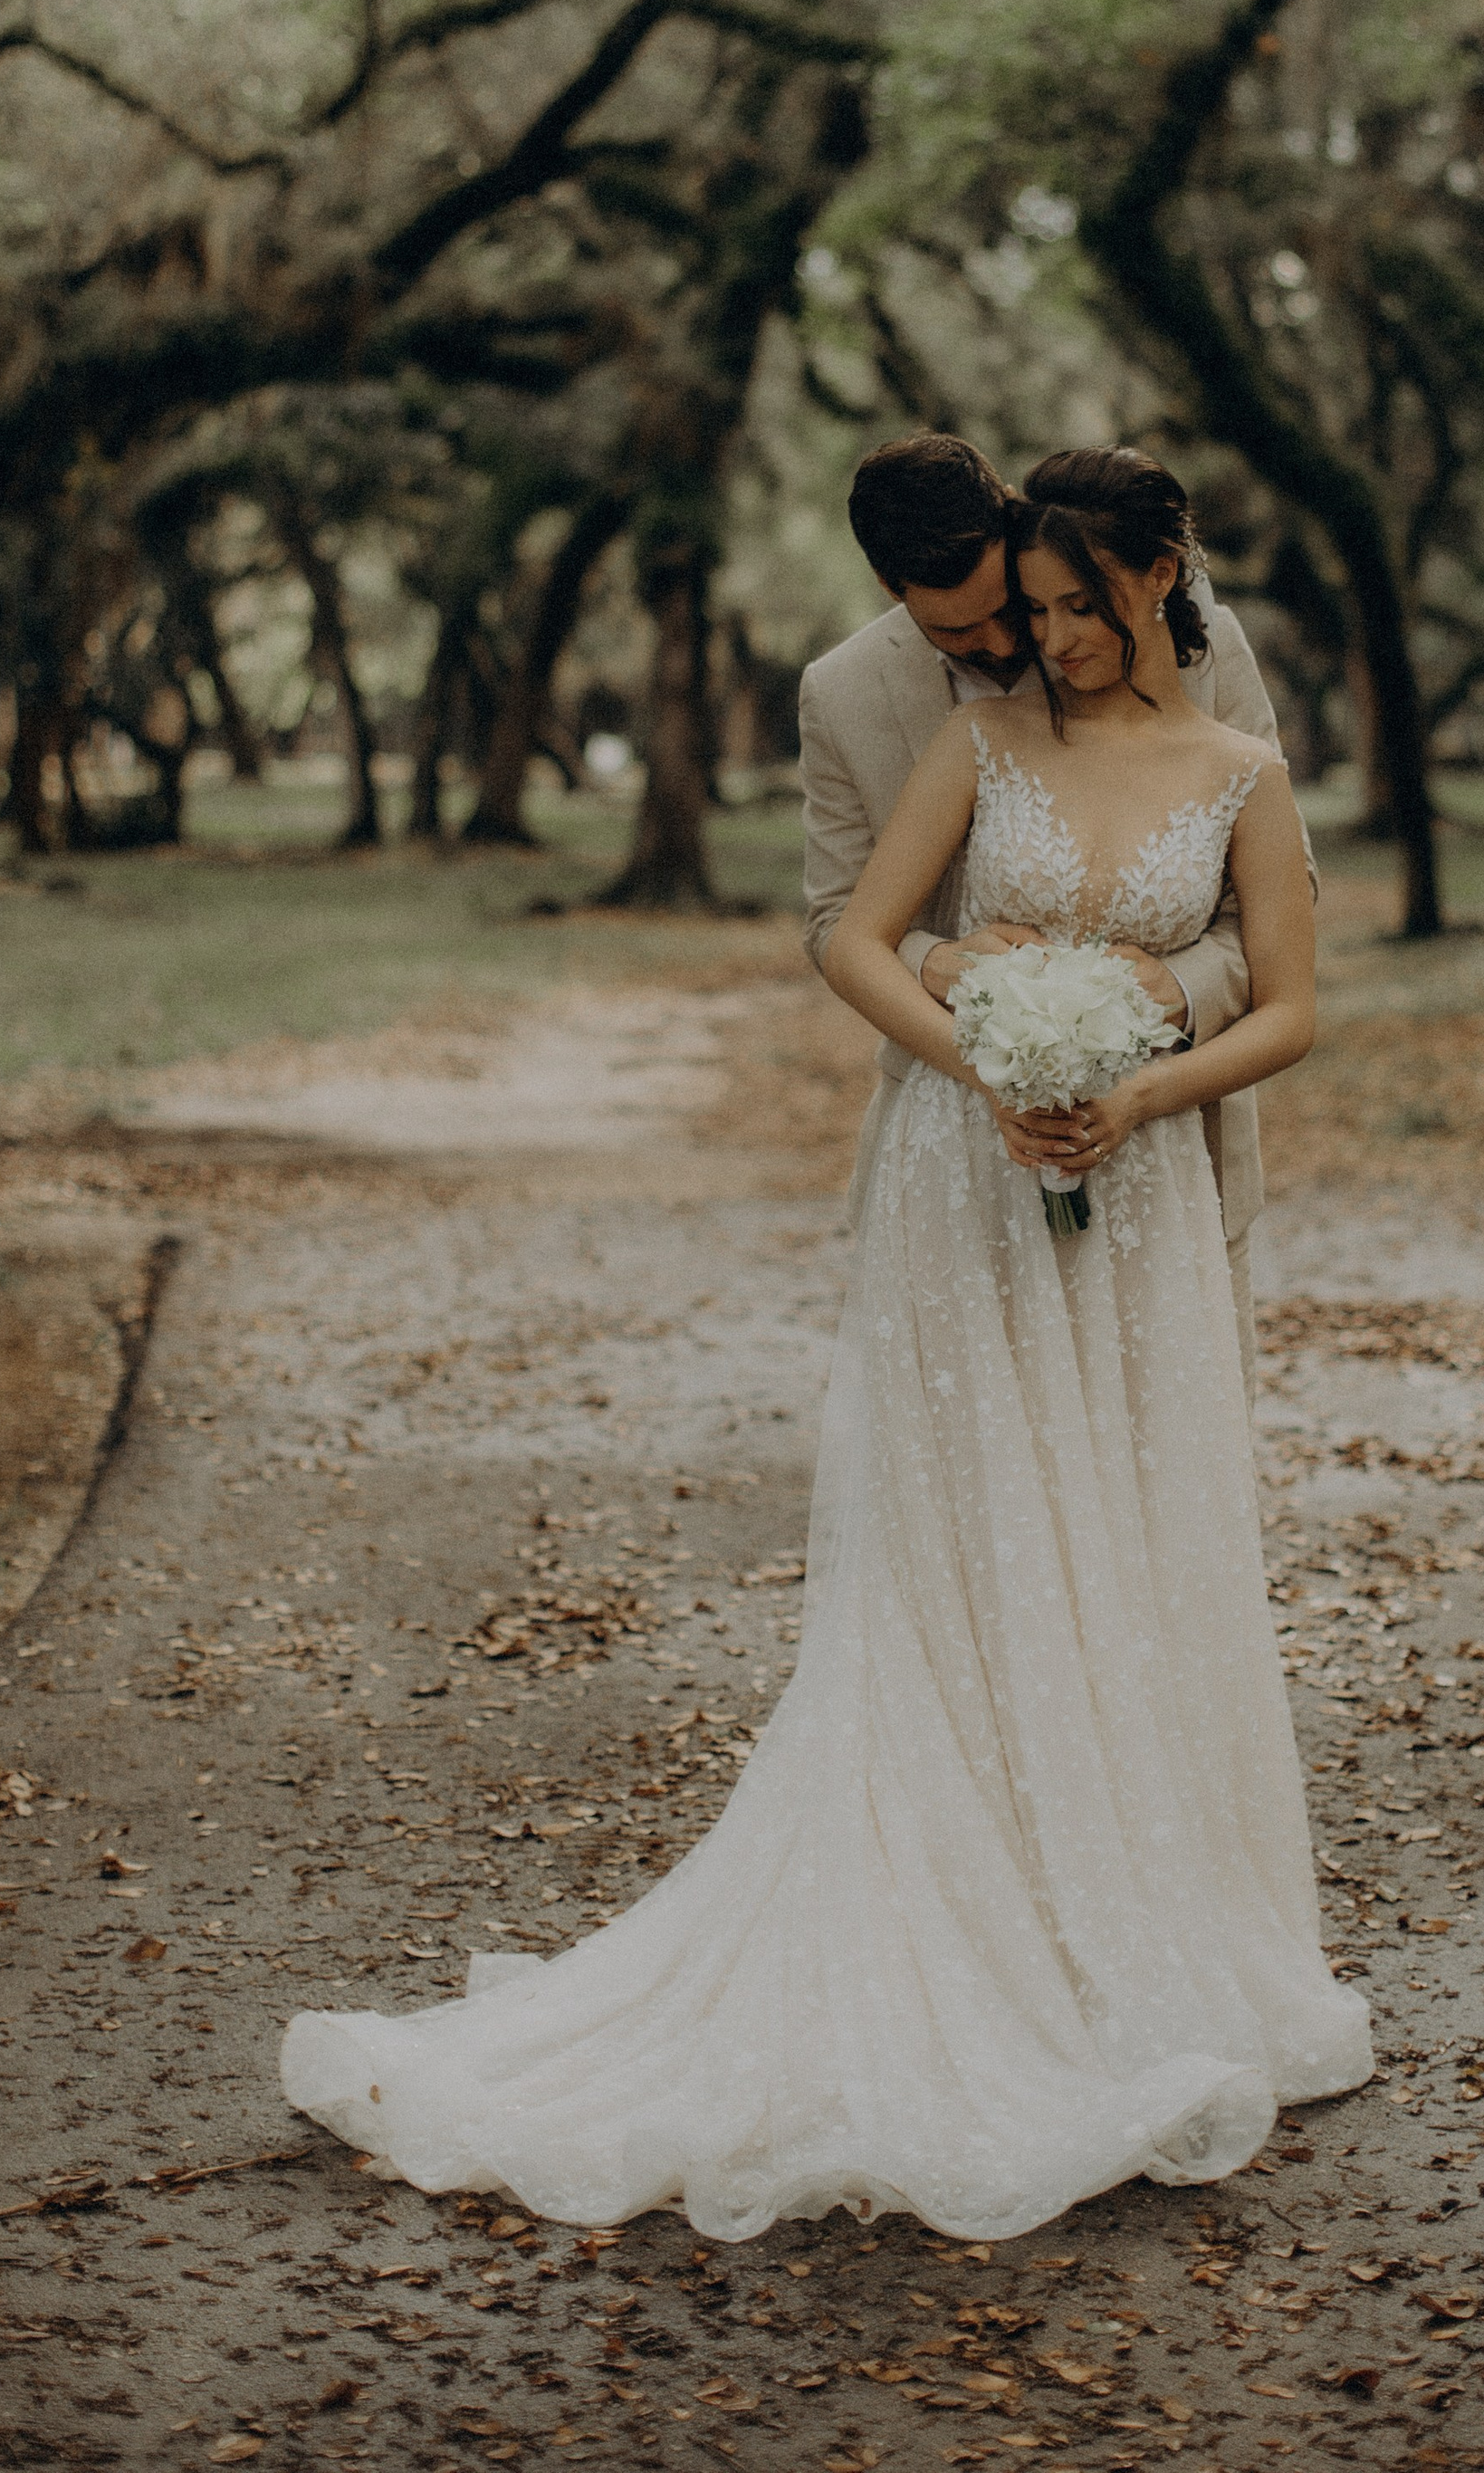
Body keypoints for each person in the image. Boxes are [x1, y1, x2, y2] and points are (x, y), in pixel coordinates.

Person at [278, 446, 1370, 2239]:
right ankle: (965, 1902)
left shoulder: (1233, 743)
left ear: (1150, 578)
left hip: (1147, 1188)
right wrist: (993, 1052)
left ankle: (1133, 1909)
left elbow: (1288, 978)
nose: (1026, 646)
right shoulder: (951, 730)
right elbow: (849, 933)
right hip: (968, 1176)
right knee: (958, 1550)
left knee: (1129, 1538)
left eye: (1058, 612)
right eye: (1002, 620)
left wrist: (1131, 1066)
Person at [800, 432, 1297, 1379]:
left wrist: (1165, 993)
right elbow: (837, 922)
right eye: (957, 632)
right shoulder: (845, 695)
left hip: (1166, 1133)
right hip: (958, 1133)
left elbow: (1283, 890)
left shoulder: (1196, 646)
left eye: (1009, 613)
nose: (1004, 644)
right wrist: (946, 971)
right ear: (890, 591)